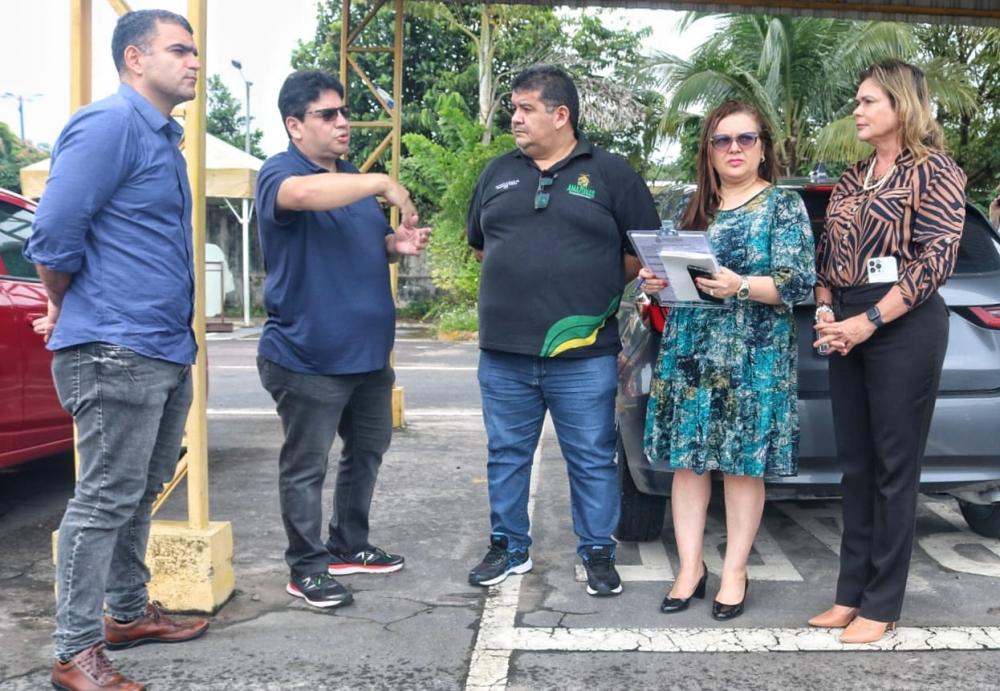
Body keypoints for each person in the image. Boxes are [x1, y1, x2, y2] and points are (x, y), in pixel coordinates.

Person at [24, 9, 209, 691]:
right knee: (104, 497)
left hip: (160, 346)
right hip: (113, 345)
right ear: (136, 59)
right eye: (179, 50)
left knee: (139, 486)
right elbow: (53, 233)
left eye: (195, 51)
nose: (194, 61)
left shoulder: (162, 137)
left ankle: (126, 611)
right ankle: (76, 650)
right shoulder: (109, 125)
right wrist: (66, 305)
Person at [466, 65, 660, 597]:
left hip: (584, 353)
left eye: (526, 108)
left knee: (592, 454)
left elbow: (641, 253)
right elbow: (482, 245)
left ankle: (597, 550)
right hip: (504, 351)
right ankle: (508, 545)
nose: (515, 118)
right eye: (514, 108)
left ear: (561, 114)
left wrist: (587, 284)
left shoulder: (612, 174)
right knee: (506, 452)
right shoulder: (497, 173)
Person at [256, 70, 430, 610]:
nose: (343, 122)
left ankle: (348, 543)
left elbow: (358, 243)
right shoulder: (281, 174)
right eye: (327, 114)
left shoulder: (350, 176)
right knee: (306, 465)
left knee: (368, 450)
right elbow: (304, 196)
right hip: (308, 355)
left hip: (367, 355)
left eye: (344, 112)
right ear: (294, 125)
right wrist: (381, 183)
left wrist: (393, 244)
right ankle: (305, 567)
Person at [639, 101, 815, 621]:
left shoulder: (782, 207)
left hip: (753, 357)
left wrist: (739, 285)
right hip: (691, 354)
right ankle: (690, 568)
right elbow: (675, 287)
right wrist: (655, 285)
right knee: (689, 465)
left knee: (742, 467)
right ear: (709, 151)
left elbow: (798, 283)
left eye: (745, 139)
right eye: (723, 141)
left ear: (763, 147)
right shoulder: (693, 209)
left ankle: (735, 570)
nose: (734, 149)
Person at [810, 60, 966, 644]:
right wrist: (828, 311)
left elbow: (937, 260)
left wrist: (869, 321)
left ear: (901, 105)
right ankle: (849, 595)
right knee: (856, 467)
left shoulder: (935, 172)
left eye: (868, 100)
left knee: (895, 469)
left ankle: (883, 603)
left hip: (902, 321)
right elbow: (827, 259)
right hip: (847, 319)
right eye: (857, 100)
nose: (858, 109)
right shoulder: (852, 178)